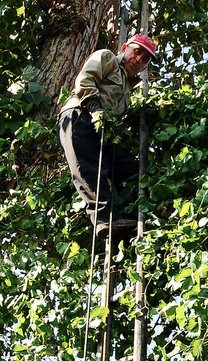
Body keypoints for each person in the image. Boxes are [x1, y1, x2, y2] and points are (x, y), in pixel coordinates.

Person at [57, 34, 157, 240]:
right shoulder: (108, 58)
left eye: (145, 59)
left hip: (103, 134)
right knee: (87, 170)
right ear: (125, 48)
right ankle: (104, 219)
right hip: (79, 117)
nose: (139, 60)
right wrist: (94, 108)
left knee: (134, 169)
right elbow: (86, 78)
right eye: (137, 52)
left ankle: (128, 217)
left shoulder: (127, 93)